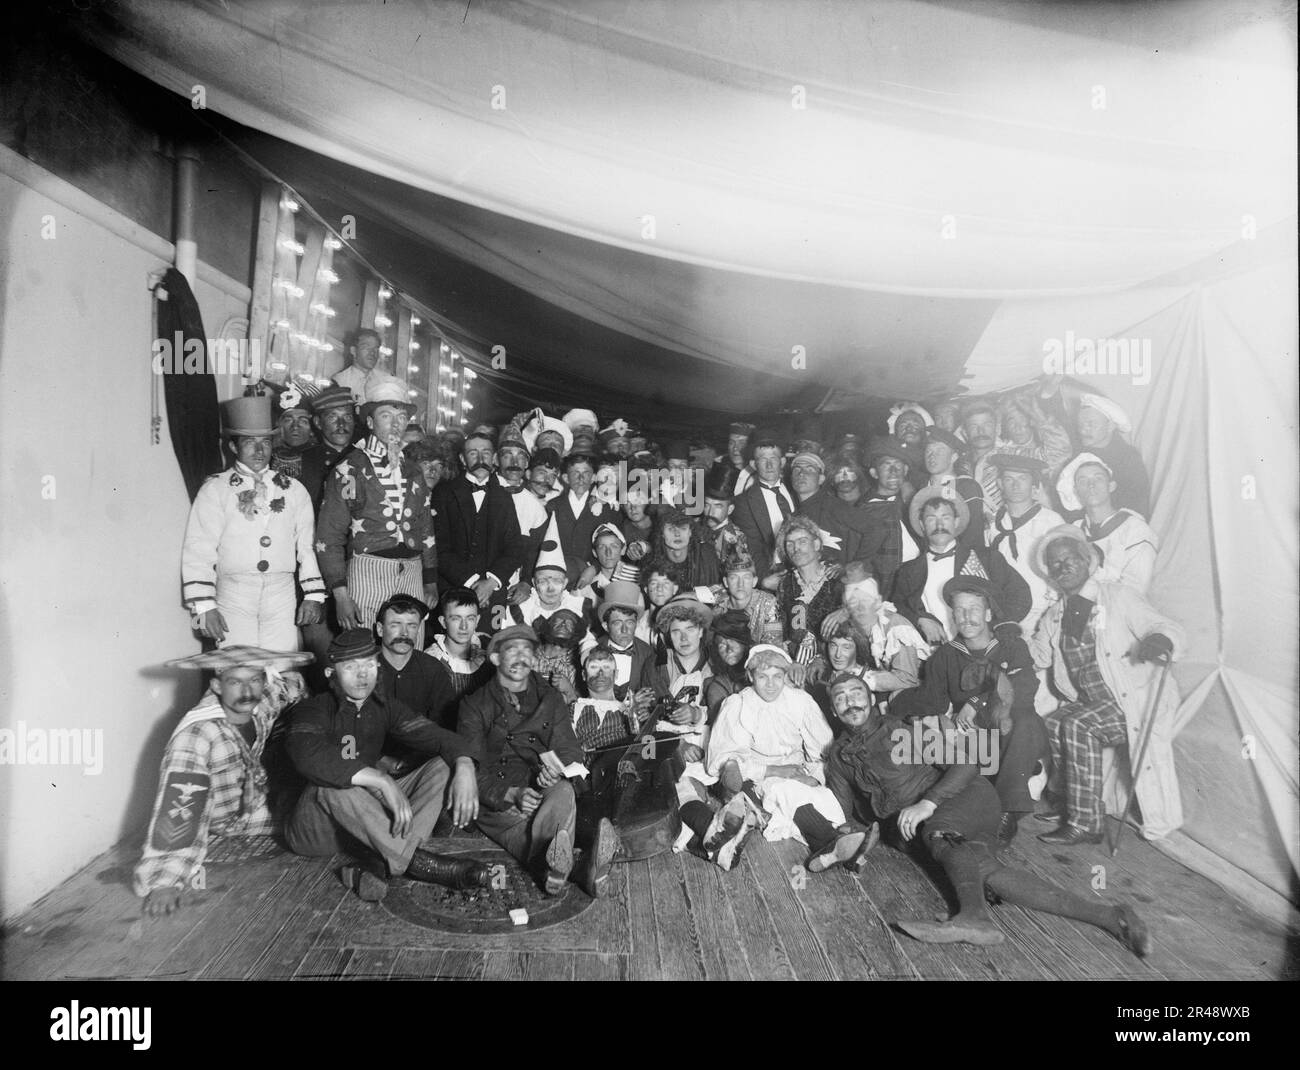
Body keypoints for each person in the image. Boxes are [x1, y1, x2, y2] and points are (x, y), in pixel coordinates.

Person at [821, 673, 1150, 954]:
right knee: (988, 873)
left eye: (857, 694)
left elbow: (966, 764)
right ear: (834, 710)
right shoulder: (838, 756)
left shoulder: (899, 730)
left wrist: (927, 803)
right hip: (938, 829)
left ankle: (975, 918)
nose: (851, 703)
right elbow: (840, 808)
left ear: (870, 698)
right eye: (841, 698)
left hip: (965, 798)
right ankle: (1113, 917)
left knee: (939, 832)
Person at [285, 630, 488, 901]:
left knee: (443, 765)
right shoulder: (313, 708)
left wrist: (464, 765)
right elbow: (306, 753)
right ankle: (420, 863)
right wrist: (381, 780)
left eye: (369, 664)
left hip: (366, 824)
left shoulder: (384, 707)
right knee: (333, 784)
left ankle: (379, 859)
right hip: (316, 829)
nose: (362, 675)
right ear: (330, 673)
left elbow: (438, 737)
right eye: (350, 667)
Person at [1028, 527, 1185, 845]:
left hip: (1133, 699)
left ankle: (1086, 825)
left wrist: (1160, 639)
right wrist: (1006, 640)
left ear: (1087, 561)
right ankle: (1074, 805)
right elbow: (1039, 656)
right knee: (1056, 721)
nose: (1062, 567)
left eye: (1068, 558)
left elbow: (1162, 625)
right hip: (1097, 702)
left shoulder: (1118, 596)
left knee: (1077, 724)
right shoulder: (1055, 614)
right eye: (1054, 563)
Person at [135, 646, 311, 916]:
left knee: (324, 798)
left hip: (258, 801)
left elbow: (287, 687)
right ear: (216, 685)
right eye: (235, 682)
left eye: (254, 680)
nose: (246, 691)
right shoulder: (196, 735)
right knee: (316, 819)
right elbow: (180, 804)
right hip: (222, 819)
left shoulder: (260, 702)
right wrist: (165, 882)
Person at [457, 625, 615, 897]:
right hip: (497, 795)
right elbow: (470, 769)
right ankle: (580, 869)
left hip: (538, 784)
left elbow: (569, 748)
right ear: (495, 658)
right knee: (526, 831)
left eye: (527, 650)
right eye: (512, 650)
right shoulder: (474, 705)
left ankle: (557, 866)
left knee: (564, 791)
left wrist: (554, 773)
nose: (521, 657)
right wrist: (510, 793)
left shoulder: (550, 697)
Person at [890, 577, 1050, 844]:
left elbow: (1024, 689)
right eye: (959, 611)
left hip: (1012, 732)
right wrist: (892, 698)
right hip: (977, 744)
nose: (966, 617)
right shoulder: (945, 656)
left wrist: (977, 703)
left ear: (988, 613)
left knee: (1024, 720)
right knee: (935, 746)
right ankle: (1013, 770)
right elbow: (932, 701)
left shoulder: (1011, 646)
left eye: (974, 609)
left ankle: (1008, 811)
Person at [182, 394, 325, 650]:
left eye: (265, 443)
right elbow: (199, 548)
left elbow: (306, 546)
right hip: (234, 591)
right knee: (238, 668)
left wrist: (313, 594)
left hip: (281, 592)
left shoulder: (294, 489)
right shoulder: (216, 489)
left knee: (282, 669)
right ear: (234, 447)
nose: (259, 451)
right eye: (250, 442)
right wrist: (204, 605)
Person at [704, 646, 864, 873]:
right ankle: (833, 840)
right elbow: (726, 762)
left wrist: (814, 776)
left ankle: (835, 849)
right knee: (784, 791)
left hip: (800, 769)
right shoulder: (738, 705)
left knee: (823, 797)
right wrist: (774, 771)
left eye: (777, 677)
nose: (771, 684)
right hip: (759, 776)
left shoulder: (800, 701)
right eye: (762, 677)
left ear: (786, 676)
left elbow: (822, 750)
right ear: (750, 676)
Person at [315, 379, 438, 632]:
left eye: (401, 416)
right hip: (368, 570)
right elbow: (329, 535)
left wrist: (430, 579)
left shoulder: (413, 470)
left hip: (412, 572)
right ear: (370, 422)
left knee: (409, 649)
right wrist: (340, 595)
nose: (395, 423)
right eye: (386, 415)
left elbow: (426, 527)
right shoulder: (350, 468)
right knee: (366, 652)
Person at [891, 488, 1030, 644]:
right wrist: (919, 619)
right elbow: (898, 605)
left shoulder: (986, 558)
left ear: (956, 522)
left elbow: (1020, 594)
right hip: (937, 656)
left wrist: (996, 628)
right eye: (931, 519)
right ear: (922, 525)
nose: (939, 525)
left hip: (984, 651)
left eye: (946, 517)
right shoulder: (908, 570)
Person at [429, 430, 524, 604]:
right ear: (463, 460)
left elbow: (514, 547)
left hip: (493, 594)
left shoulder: (504, 498)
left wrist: (490, 583)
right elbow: (437, 547)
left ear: (494, 458)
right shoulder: (443, 493)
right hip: (453, 591)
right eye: (473, 453)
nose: (481, 459)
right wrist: (472, 583)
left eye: (486, 453)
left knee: (495, 632)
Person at [984, 454, 1065, 636]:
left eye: (1023, 479)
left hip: (1041, 611)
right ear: (999, 484)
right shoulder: (993, 523)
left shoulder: (1051, 521)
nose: (1015, 485)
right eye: (1008, 479)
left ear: (1034, 485)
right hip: (1006, 613)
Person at [1057, 453, 1158, 593]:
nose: (1091, 485)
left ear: (1111, 486)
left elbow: (1134, 591)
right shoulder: (1073, 532)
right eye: (1082, 480)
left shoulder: (1134, 529)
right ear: (1076, 491)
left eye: (1098, 478)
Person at [373, 594, 458, 737]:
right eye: (395, 625)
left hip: (421, 754)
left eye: (412, 625)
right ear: (380, 630)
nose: (404, 633)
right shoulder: (362, 669)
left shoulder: (432, 668)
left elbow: (445, 727)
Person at [774, 515, 844, 674]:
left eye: (802, 542)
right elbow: (779, 630)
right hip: (794, 664)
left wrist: (846, 610)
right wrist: (789, 661)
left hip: (833, 663)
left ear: (817, 543)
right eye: (789, 544)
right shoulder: (785, 584)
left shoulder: (837, 577)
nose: (796, 549)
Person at [857, 435, 922, 597]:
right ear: (874, 473)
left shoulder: (916, 501)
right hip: (886, 585)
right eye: (886, 466)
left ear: (905, 470)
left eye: (898, 465)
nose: (893, 471)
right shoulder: (864, 510)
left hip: (919, 577)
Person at [729, 430, 795, 580]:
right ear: (753, 464)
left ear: (783, 462)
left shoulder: (796, 492)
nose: (769, 465)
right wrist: (764, 580)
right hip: (772, 572)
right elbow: (753, 548)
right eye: (762, 459)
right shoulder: (743, 503)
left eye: (774, 458)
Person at [1072, 393, 1151, 518]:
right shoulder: (1076, 457)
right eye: (1080, 425)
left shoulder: (1128, 458)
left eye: (1091, 424)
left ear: (1110, 426)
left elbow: (1138, 505)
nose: (1083, 430)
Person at [548, 452, 609, 585]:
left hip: (593, 576)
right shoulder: (553, 506)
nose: (581, 478)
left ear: (593, 477)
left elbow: (611, 546)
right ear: (565, 478)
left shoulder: (605, 508)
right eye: (575, 473)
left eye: (586, 473)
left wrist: (595, 568)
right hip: (558, 574)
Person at [592, 580, 658, 700]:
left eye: (630, 622)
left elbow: (651, 696)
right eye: (617, 623)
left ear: (637, 624)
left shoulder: (648, 653)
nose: (624, 630)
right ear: (605, 626)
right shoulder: (592, 650)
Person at [921, 427, 985, 549]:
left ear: (954, 457)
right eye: (928, 450)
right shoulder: (921, 488)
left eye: (940, 450)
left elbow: (973, 537)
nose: (932, 456)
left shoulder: (965, 488)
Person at [426, 587, 493, 699]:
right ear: (443, 622)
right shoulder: (430, 660)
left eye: (470, 618)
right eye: (456, 618)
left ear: (477, 621)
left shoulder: (488, 657)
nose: (464, 626)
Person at [299, 385, 358, 510]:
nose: (341, 425)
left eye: (347, 417)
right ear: (318, 422)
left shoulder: (366, 459)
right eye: (332, 417)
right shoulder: (303, 461)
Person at [710, 547, 781, 644]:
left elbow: (774, 645)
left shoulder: (768, 604)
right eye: (734, 578)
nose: (740, 584)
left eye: (746, 577)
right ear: (726, 582)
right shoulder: (718, 599)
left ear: (754, 581)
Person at [652, 507, 722, 589]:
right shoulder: (653, 559)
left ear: (690, 532)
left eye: (683, 528)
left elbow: (718, 590)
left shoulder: (705, 555)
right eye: (671, 529)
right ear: (662, 534)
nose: (677, 534)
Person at [956, 399, 1002, 512]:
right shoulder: (957, 464)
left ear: (997, 429)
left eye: (987, 425)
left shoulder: (1012, 455)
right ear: (965, 433)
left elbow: (1051, 457)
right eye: (973, 426)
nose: (981, 431)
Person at [267, 378, 317, 481]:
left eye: (303, 421)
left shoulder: (319, 458)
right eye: (288, 420)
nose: (295, 426)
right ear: (279, 424)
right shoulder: (266, 457)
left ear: (312, 429)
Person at [333, 328, 396, 407]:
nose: (372, 353)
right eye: (366, 347)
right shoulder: (340, 382)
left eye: (376, 349)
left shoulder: (386, 380)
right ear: (353, 351)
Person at [701, 463, 750, 562]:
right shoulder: (697, 526)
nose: (710, 512)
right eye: (707, 505)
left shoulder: (735, 540)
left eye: (718, 506)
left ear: (730, 509)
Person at [726, 421, 758, 494]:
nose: (735, 448)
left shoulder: (756, 477)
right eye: (731, 442)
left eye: (742, 443)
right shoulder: (720, 468)